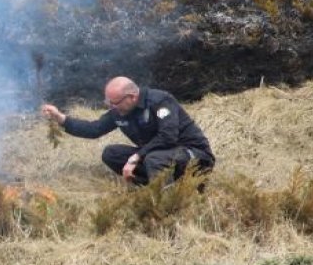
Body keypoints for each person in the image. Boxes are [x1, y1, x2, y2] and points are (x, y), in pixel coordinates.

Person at [41, 76, 214, 185]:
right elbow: (94, 129)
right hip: (160, 156)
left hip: (194, 155)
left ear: (131, 97)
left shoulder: (160, 101)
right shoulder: (120, 111)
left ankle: (166, 201)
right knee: (111, 154)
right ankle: (155, 185)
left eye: (114, 103)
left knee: (154, 159)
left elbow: (168, 137)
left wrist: (137, 156)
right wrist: (60, 118)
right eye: (109, 103)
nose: (112, 107)